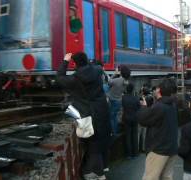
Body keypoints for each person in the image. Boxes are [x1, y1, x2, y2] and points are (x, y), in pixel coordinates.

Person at [57, 52, 111, 180]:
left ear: (74, 64)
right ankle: (102, 168)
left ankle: (98, 173)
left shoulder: (75, 79)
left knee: (92, 142)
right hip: (102, 110)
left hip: (87, 113)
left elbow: (59, 77)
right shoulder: (98, 70)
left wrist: (65, 61)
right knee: (100, 138)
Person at [137, 78, 178, 180]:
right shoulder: (172, 104)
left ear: (159, 90)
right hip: (172, 148)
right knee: (166, 177)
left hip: (158, 150)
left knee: (150, 177)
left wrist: (144, 107)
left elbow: (143, 120)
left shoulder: (159, 107)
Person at [108, 65, 130, 135]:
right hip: (119, 101)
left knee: (111, 117)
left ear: (121, 72)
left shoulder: (118, 80)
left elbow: (109, 82)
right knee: (115, 116)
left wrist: (114, 73)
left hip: (113, 101)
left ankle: (113, 133)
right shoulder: (126, 81)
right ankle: (116, 130)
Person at [122, 83, 141, 158]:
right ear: (133, 90)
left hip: (126, 118)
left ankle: (128, 154)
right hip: (135, 118)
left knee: (128, 136)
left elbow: (123, 106)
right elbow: (139, 107)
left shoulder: (124, 98)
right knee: (134, 135)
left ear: (126, 89)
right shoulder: (136, 98)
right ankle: (135, 153)